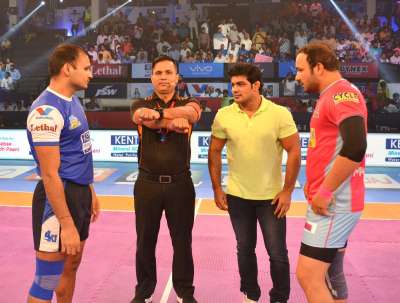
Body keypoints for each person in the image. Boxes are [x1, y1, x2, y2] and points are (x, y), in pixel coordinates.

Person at [208, 63, 301, 303]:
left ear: (256, 85)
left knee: (277, 254)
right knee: (245, 250)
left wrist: (288, 191)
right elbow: (214, 151)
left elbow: (294, 151)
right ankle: (251, 295)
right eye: (233, 85)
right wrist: (217, 188)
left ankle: (279, 298)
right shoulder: (224, 115)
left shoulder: (280, 114)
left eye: (240, 84)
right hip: (237, 197)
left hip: (271, 199)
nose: (235, 90)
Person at [26, 44, 100, 303]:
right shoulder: (46, 111)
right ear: (68, 68)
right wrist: (66, 224)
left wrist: (89, 190)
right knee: (46, 279)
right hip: (56, 200)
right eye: (87, 68)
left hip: (78, 193)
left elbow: (79, 152)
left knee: (71, 266)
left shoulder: (72, 100)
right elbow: (49, 175)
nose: (91, 74)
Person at [294, 42, 367, 303]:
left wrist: (324, 191)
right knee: (331, 275)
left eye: (301, 69)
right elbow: (331, 147)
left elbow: (356, 146)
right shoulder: (334, 94)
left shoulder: (341, 95)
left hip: (333, 205)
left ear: (319, 67)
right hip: (334, 201)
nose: (297, 76)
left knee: (308, 275)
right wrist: (314, 183)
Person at [130, 55, 202, 303]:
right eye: (158, 72)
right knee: (144, 241)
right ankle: (144, 291)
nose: (163, 77)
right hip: (147, 184)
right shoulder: (139, 102)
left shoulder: (190, 101)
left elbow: (192, 114)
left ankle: (184, 292)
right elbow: (143, 118)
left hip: (180, 184)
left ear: (177, 77)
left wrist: (161, 115)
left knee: (182, 242)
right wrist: (172, 121)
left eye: (168, 72)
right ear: (151, 77)